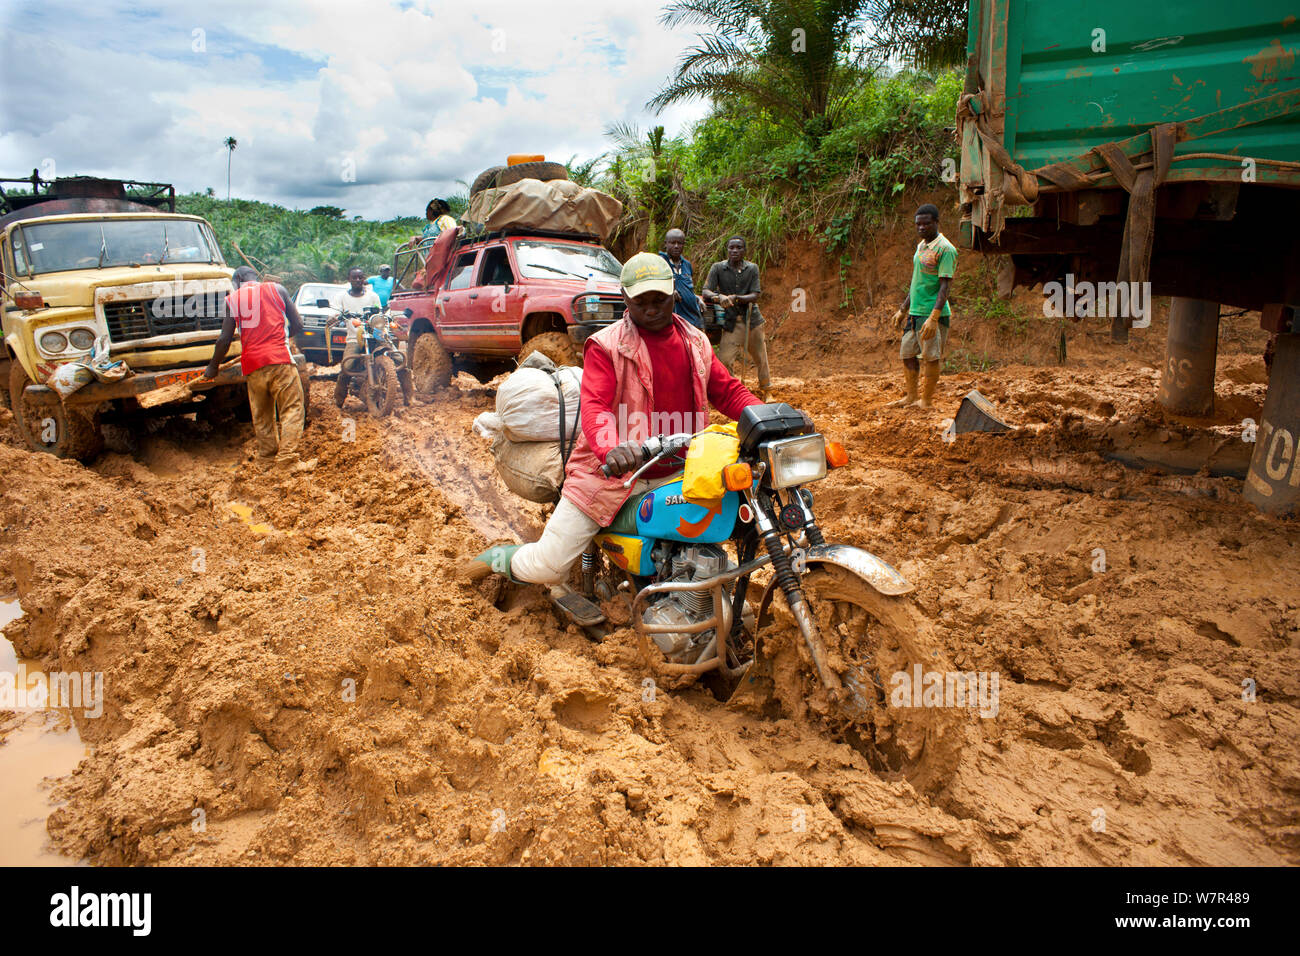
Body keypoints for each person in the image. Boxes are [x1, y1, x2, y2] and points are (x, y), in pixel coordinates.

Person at [468, 252, 761, 585]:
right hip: (607, 473)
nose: (652, 308)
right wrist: (613, 449)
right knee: (547, 566)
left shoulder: (695, 342)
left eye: (660, 299)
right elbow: (596, 407)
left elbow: (728, 392)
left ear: (675, 294)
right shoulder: (606, 346)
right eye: (641, 301)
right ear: (625, 298)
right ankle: (492, 560)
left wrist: (765, 417)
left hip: (680, 467)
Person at [204, 266, 313, 470]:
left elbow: (224, 339)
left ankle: (267, 459)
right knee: (291, 408)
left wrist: (213, 367)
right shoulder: (277, 290)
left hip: (252, 365)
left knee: (262, 414)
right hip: (280, 359)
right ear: (256, 276)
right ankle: (287, 458)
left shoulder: (233, 299)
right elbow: (298, 323)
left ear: (237, 280)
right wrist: (282, 337)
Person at [890, 203, 957, 409]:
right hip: (915, 313)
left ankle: (926, 401)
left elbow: (945, 286)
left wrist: (934, 318)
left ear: (936, 223)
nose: (921, 228)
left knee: (931, 357)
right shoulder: (921, 246)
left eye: (926, 224)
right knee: (907, 354)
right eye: (918, 224)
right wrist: (903, 309)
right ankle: (911, 396)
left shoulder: (946, 249)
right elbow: (917, 281)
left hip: (931, 314)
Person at [702, 236, 773, 403]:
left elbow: (755, 295)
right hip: (731, 322)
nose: (734, 251)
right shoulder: (718, 268)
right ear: (727, 250)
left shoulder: (752, 268)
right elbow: (706, 291)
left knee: (760, 357)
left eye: (738, 248)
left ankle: (767, 389)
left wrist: (736, 297)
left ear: (744, 250)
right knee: (725, 360)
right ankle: (733, 392)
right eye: (731, 248)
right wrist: (719, 298)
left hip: (751, 320)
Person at [660, 228, 702, 330]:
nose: (676, 246)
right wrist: (669, 291)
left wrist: (695, 297)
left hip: (692, 318)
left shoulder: (686, 264)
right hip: (672, 318)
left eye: (680, 243)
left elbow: (687, 287)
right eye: (672, 243)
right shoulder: (659, 263)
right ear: (666, 244)